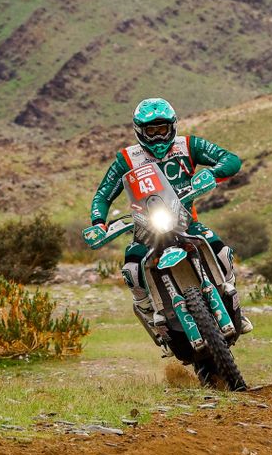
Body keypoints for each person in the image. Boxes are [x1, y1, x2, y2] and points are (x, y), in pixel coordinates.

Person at [89, 97, 252, 337]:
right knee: (132, 271)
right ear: (139, 131)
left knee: (222, 253)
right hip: (146, 229)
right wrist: (98, 223)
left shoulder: (188, 145)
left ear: (172, 126)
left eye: (162, 129)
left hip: (187, 221)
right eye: (151, 131)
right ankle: (150, 315)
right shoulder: (126, 158)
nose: (157, 137)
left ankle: (233, 304)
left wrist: (213, 173)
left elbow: (231, 159)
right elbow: (103, 195)